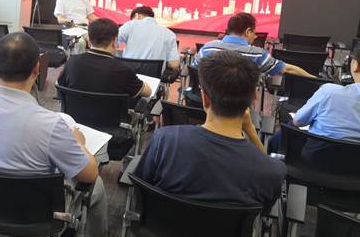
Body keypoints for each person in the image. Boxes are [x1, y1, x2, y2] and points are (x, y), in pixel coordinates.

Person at [0, 32, 108, 237]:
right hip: (37, 230)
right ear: (37, 69)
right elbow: (89, 175)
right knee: (97, 185)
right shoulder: (51, 124)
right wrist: (78, 141)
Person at [135, 51, 286, 207]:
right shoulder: (273, 170)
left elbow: (141, 189)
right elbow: (265, 208)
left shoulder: (164, 140)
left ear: (205, 98)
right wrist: (250, 130)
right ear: (254, 96)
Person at [268, 48, 360, 153]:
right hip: (354, 163)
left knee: (287, 131)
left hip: (312, 159)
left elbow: (298, 121)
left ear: (355, 65)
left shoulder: (329, 91)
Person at [193, 12, 315, 78]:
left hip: (208, 107)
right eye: (254, 32)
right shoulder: (257, 55)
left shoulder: (207, 48)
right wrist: (316, 80)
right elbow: (287, 69)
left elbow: (194, 71)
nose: (255, 36)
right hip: (240, 109)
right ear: (248, 32)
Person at [58, 18, 152, 98]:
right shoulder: (123, 70)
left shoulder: (72, 62)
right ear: (114, 41)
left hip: (74, 113)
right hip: (111, 115)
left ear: (89, 41)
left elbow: (60, 86)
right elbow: (148, 92)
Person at [118, 6, 180, 71]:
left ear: (136, 16)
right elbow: (174, 65)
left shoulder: (131, 25)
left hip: (128, 75)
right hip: (153, 77)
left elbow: (112, 41)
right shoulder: (170, 34)